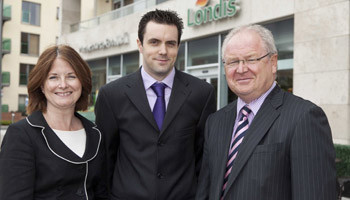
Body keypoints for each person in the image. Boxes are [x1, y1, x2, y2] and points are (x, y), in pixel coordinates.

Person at [195, 24, 336, 200]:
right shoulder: (215, 121)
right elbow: (205, 192)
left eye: (251, 59)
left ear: (273, 62)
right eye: (232, 61)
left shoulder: (304, 118)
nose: (241, 69)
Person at [95, 9, 216, 200]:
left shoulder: (202, 93)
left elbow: (204, 158)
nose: (163, 51)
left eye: (171, 43)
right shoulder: (111, 95)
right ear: (140, 45)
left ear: (178, 46)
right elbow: (104, 160)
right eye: (154, 42)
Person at [0, 45, 108, 199]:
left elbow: (101, 193)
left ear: (82, 82)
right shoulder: (21, 135)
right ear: (42, 86)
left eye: (71, 76)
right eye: (53, 77)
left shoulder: (95, 133)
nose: (63, 84)